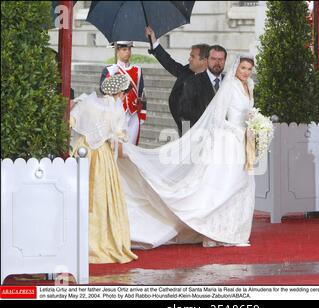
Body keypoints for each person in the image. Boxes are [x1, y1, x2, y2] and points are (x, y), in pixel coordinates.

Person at [117, 54, 256, 249]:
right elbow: (218, 117)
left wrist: (254, 125)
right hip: (228, 141)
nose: (246, 72)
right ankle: (209, 229)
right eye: (243, 68)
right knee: (224, 185)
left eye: (249, 69)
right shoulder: (230, 86)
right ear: (236, 68)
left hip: (243, 143)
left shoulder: (250, 86)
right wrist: (238, 130)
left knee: (240, 184)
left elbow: (249, 112)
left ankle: (230, 229)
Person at [70, 74, 138, 264]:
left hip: (82, 149)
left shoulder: (87, 102)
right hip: (101, 155)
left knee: (79, 193)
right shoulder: (116, 110)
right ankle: (102, 241)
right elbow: (120, 135)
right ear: (120, 93)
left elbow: (71, 121)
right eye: (124, 94)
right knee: (101, 196)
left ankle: (76, 240)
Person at [145, 26, 209, 136]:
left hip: (203, 131)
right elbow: (170, 63)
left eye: (192, 57)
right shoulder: (187, 71)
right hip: (184, 127)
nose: (189, 59)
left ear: (204, 60)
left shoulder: (212, 82)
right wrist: (153, 41)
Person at [100, 41, 145, 145]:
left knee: (131, 147)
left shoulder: (137, 70)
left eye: (129, 49)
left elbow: (142, 93)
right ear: (117, 51)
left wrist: (142, 115)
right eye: (124, 49)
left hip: (133, 113)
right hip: (116, 113)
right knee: (118, 146)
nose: (128, 52)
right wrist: (110, 75)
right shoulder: (109, 70)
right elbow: (103, 90)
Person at [179, 45, 227, 129]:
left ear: (225, 61)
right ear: (206, 60)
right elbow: (184, 114)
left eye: (220, 59)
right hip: (200, 136)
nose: (217, 63)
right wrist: (186, 139)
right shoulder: (192, 82)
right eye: (213, 59)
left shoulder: (229, 82)